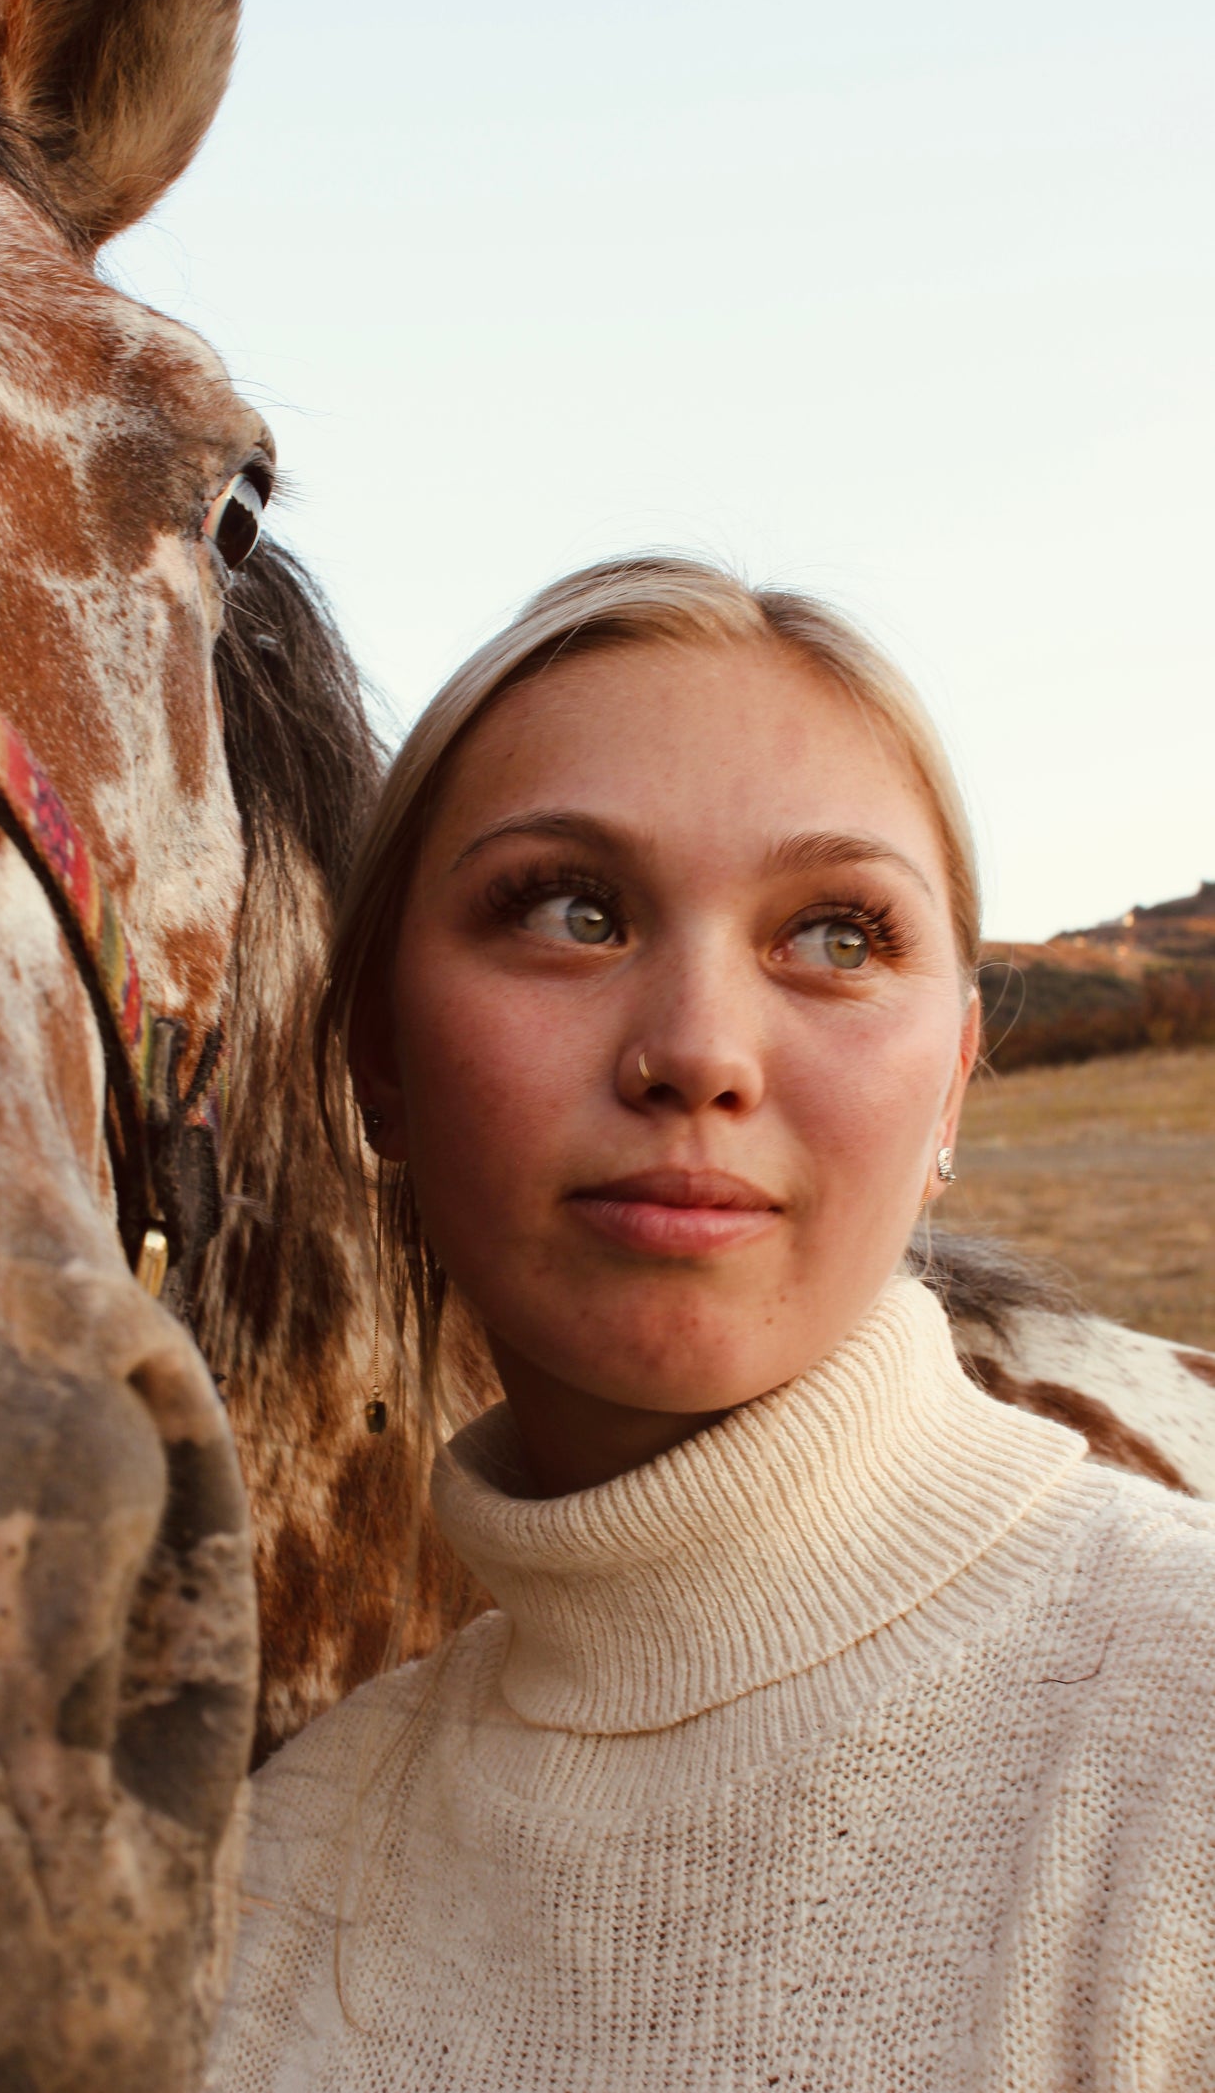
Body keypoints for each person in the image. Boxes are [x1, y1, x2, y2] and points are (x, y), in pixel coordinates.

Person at [206, 556, 1215, 2091]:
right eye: (570, 909)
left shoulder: (1180, 1733)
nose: (696, 1053)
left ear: (948, 1084)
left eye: (834, 936)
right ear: (376, 1058)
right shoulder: (276, 1879)